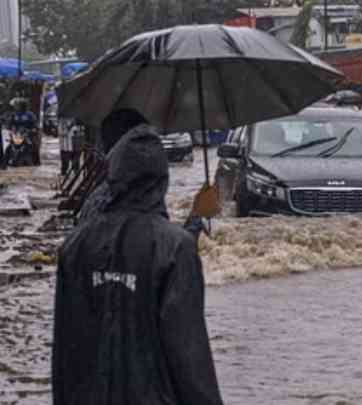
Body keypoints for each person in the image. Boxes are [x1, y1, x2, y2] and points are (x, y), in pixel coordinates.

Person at [52, 121, 224, 404]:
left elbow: (64, 351)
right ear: (162, 176)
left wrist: (194, 219)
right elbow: (189, 355)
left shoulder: (76, 245)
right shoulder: (174, 248)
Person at [10, 100, 40, 165]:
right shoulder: (14, 114)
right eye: (19, 106)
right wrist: (12, 130)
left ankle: (37, 162)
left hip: (27, 133)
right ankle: (5, 161)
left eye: (21, 105)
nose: (19, 107)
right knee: (9, 146)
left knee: (35, 145)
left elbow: (35, 125)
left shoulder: (30, 114)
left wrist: (33, 130)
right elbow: (11, 124)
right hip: (17, 134)